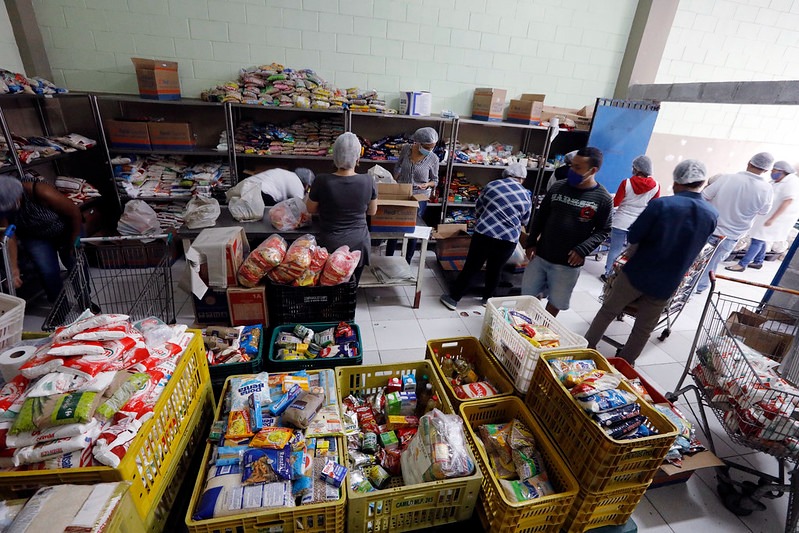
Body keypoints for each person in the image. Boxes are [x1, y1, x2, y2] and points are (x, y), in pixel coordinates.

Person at [584, 160, 719, 365]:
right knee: (643, 329)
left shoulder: (662, 205)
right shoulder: (711, 214)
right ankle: (623, 365)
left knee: (608, 311)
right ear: (701, 183)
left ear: (677, 182)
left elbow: (634, 236)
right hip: (667, 283)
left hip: (637, 274)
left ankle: (586, 349)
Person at [522, 146, 613, 317]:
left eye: (578, 167)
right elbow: (541, 216)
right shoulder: (558, 187)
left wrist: (583, 249)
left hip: (568, 264)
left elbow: (603, 230)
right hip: (541, 255)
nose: (572, 170)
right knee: (526, 298)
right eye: (572, 165)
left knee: (556, 302)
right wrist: (531, 241)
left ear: (593, 170)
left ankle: (543, 328)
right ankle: (524, 325)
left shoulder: (602, 198)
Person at [439, 163, 532, 310]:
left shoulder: (492, 186)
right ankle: (487, 299)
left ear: (506, 174)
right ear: (522, 178)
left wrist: (485, 218)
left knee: (472, 266)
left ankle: (453, 299)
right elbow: (525, 220)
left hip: (485, 233)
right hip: (508, 239)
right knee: (496, 269)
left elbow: (479, 208)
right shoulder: (526, 194)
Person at [695, 152, 774, 293]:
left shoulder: (727, 178)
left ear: (749, 162)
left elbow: (704, 196)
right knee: (712, 264)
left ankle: (682, 290)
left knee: (694, 259)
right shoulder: (766, 189)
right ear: (767, 170)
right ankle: (700, 288)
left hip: (710, 228)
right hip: (731, 235)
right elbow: (764, 211)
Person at [306, 133, 377, 282]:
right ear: (358, 157)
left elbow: (310, 209)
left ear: (335, 156)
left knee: (330, 285)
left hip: (331, 245)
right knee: (351, 287)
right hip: (359, 244)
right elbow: (372, 211)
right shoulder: (368, 180)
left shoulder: (322, 180)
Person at [0, 174, 82, 302]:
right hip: (34, 235)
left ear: (18, 197)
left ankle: (85, 300)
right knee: (47, 271)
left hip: (64, 230)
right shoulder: (3, 207)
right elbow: (9, 235)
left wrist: (74, 241)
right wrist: (13, 269)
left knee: (74, 263)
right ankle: (60, 306)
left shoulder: (40, 191)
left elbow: (74, 213)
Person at [727, 160, 799, 272]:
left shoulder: (791, 183)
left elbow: (788, 201)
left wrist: (773, 219)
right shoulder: (775, 182)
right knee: (760, 238)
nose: (772, 172)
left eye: (774, 170)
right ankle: (758, 261)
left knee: (758, 239)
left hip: (777, 219)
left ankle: (742, 264)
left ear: (782, 172)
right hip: (766, 216)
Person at [386, 127, 439, 263]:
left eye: (432, 147)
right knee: (394, 225)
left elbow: (435, 180)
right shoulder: (406, 149)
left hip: (420, 196)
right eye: (427, 147)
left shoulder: (433, 158)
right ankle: (388, 258)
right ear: (418, 142)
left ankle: (407, 260)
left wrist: (427, 184)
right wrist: (394, 180)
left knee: (413, 228)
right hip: (402, 192)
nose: (429, 150)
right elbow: (398, 165)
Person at [602, 155, 660, 282]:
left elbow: (616, 203)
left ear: (637, 168)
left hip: (620, 221)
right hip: (639, 224)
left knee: (615, 249)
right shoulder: (656, 186)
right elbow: (654, 206)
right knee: (630, 252)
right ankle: (622, 277)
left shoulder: (626, 183)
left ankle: (608, 274)